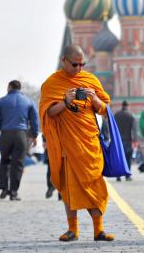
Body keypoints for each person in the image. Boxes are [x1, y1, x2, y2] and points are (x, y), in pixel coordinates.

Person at [39, 44, 114, 242]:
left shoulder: (90, 80)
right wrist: (65, 102)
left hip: (89, 143)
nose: (79, 69)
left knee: (95, 185)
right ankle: (73, 229)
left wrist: (95, 98)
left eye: (83, 64)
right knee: (69, 188)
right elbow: (49, 113)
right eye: (75, 64)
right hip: (67, 145)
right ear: (64, 61)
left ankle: (99, 230)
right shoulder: (52, 83)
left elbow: (104, 109)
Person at [0, 80, 39, 201]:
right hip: (21, 134)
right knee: (18, 164)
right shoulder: (28, 101)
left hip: (5, 134)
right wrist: (34, 135)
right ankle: (13, 192)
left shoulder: (1, 101)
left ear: (9, 87)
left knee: (4, 161)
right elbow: (34, 120)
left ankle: (3, 189)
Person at [114, 100, 136, 181]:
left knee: (119, 158)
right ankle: (127, 175)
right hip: (128, 140)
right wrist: (135, 140)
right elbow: (134, 130)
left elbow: (113, 127)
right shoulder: (131, 115)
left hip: (118, 140)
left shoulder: (116, 115)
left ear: (122, 105)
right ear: (128, 106)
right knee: (128, 158)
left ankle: (118, 176)